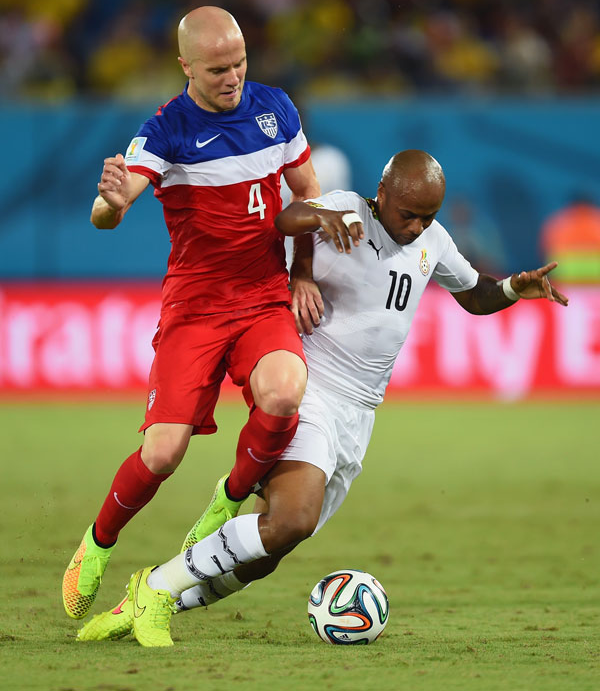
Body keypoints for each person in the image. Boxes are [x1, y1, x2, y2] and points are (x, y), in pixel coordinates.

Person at [75, 150, 568, 647]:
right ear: (383, 193)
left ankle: (150, 603)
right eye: (408, 214)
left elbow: (473, 294)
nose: (418, 227)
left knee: (270, 550)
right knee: (292, 518)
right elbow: (288, 219)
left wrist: (511, 287)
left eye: (428, 216)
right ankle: (154, 587)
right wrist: (304, 268)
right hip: (312, 387)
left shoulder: (433, 241)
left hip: (360, 415)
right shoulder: (344, 210)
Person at [62, 6, 322, 621]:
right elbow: (113, 209)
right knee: (162, 454)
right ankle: (96, 546)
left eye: (239, 64)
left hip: (262, 293)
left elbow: (310, 193)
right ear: (185, 67)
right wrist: (106, 200)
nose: (232, 78)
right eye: (216, 70)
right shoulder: (164, 132)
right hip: (197, 306)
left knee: (285, 393)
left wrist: (302, 272)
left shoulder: (275, 108)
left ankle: (226, 503)